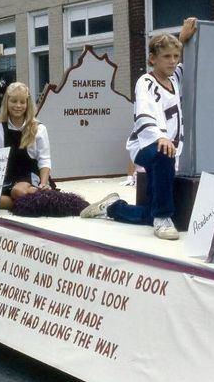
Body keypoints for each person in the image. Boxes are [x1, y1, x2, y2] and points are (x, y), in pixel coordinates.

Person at [80, 17, 197, 240]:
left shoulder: (175, 79)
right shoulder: (146, 81)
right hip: (145, 146)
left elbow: (185, 65)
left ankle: (112, 207)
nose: (172, 62)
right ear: (152, 59)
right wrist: (160, 137)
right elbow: (144, 112)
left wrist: (182, 39)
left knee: (147, 214)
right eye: (166, 57)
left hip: (168, 150)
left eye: (175, 56)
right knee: (163, 155)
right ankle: (163, 217)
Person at [0, 82, 55, 210]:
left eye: (22, 102)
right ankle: (29, 203)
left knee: (17, 192)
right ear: (6, 103)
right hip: (8, 178)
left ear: (28, 104)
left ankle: (43, 193)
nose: (18, 106)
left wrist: (43, 183)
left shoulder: (39, 128)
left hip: (30, 177)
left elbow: (44, 159)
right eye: (14, 101)